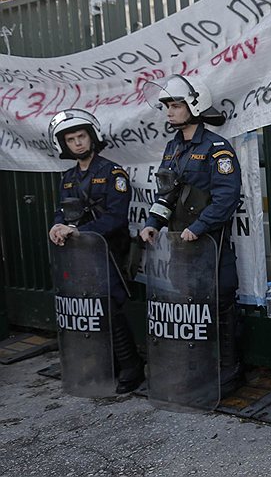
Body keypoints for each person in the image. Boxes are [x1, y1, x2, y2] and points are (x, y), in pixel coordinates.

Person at [138, 75, 243, 393]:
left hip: (210, 243)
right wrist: (152, 224)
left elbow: (227, 197)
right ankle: (198, 368)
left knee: (221, 305)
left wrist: (197, 228)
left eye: (175, 105)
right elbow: (167, 194)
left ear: (194, 105)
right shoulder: (173, 148)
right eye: (167, 105)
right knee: (189, 307)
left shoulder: (217, 148)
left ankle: (230, 372)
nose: (169, 111)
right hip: (180, 246)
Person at [48, 109, 144, 395]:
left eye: (82, 136)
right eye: (71, 139)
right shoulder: (67, 177)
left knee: (111, 309)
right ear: (64, 145)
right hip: (79, 255)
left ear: (92, 137)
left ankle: (132, 366)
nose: (78, 143)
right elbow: (60, 211)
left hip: (109, 253)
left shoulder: (112, 173)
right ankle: (108, 363)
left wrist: (80, 232)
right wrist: (56, 226)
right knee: (91, 310)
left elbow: (116, 217)